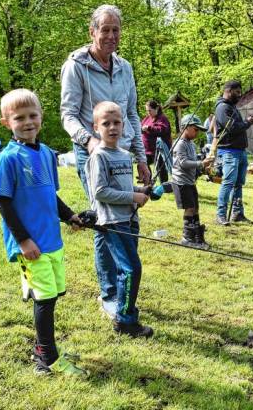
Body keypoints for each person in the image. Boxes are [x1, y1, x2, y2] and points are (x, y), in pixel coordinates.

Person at [60, 4, 150, 312]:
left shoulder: (125, 67)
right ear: (92, 31)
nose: (111, 36)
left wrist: (140, 156)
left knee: (124, 213)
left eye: (116, 30)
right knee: (104, 218)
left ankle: (124, 280)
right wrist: (90, 141)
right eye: (105, 30)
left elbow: (133, 114)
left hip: (122, 154)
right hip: (93, 154)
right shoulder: (77, 64)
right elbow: (68, 115)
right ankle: (109, 292)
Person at [0, 89, 87, 376]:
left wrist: (69, 215)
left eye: (32, 115)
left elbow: (50, 196)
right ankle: (46, 357)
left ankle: (43, 346)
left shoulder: (47, 154)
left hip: (52, 240)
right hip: (30, 245)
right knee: (44, 299)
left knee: (53, 294)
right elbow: (3, 202)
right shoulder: (7, 159)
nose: (28, 122)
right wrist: (23, 240)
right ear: (6, 122)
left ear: (41, 117)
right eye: (19, 118)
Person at [85, 101, 153, 338]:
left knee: (130, 268)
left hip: (130, 219)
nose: (112, 127)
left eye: (117, 122)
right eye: (106, 123)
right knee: (131, 269)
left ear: (124, 125)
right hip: (113, 222)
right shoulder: (98, 157)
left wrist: (141, 191)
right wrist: (132, 196)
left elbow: (123, 187)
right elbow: (101, 192)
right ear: (96, 127)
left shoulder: (125, 155)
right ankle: (125, 320)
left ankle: (125, 312)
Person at [214, 80, 253, 225]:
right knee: (228, 183)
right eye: (237, 92)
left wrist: (246, 122)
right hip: (228, 151)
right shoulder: (222, 108)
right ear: (228, 91)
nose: (239, 95)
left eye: (240, 92)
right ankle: (220, 214)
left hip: (239, 151)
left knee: (238, 184)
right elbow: (232, 128)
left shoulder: (232, 108)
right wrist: (247, 122)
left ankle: (237, 213)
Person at [171, 114, 214, 248]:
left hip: (190, 182)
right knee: (189, 209)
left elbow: (194, 162)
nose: (197, 133)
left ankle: (197, 237)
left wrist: (203, 168)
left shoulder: (190, 143)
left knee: (195, 208)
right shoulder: (179, 144)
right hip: (181, 182)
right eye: (195, 129)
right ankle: (187, 238)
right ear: (186, 127)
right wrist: (200, 163)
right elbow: (183, 163)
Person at [141, 100, 172, 184]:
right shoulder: (147, 118)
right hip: (147, 149)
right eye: (147, 111)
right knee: (143, 164)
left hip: (158, 149)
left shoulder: (162, 118)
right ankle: (148, 181)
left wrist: (149, 128)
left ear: (157, 108)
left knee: (160, 168)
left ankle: (164, 185)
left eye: (150, 110)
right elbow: (141, 127)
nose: (148, 112)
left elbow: (162, 130)